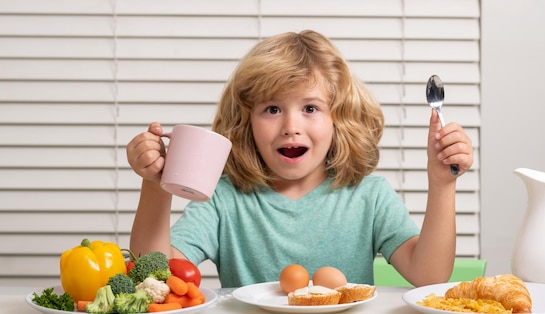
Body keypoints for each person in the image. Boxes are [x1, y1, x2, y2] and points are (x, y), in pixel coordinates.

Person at [126, 30, 473, 288]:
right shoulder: (224, 199)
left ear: (339, 118)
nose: (291, 127)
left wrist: (442, 184)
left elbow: (430, 275)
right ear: (246, 122)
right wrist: (156, 185)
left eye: (310, 108)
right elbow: (155, 272)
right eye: (272, 109)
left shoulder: (369, 196)